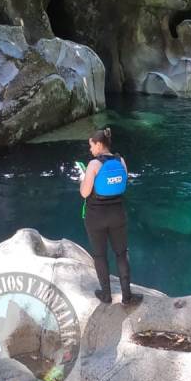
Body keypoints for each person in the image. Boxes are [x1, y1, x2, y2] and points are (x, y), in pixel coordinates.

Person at [80, 128, 142, 306]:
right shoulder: (120, 160)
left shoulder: (93, 165)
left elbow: (85, 193)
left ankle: (106, 295)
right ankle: (127, 296)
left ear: (99, 145)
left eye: (91, 146)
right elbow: (122, 185)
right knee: (121, 254)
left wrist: (82, 180)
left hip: (96, 217)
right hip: (117, 215)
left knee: (100, 256)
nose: (91, 150)